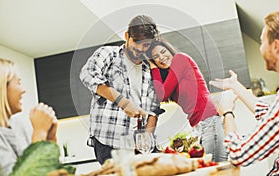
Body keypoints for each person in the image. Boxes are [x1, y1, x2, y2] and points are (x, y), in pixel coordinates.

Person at [209, 11, 279, 175]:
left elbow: (238, 154)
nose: (260, 48)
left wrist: (227, 112)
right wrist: (236, 87)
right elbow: (272, 116)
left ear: (276, 46)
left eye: (262, 42)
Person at [80, 15, 163, 164]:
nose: (139, 49)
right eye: (136, 42)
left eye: (146, 46)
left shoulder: (149, 69)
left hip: (139, 147)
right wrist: (123, 102)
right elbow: (88, 74)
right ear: (127, 36)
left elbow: (153, 109)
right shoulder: (108, 54)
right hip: (109, 142)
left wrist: (147, 140)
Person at [145, 38, 227, 162]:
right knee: (214, 167)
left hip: (209, 120)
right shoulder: (169, 77)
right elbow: (159, 95)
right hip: (198, 125)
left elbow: (162, 94)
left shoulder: (180, 59)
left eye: (163, 52)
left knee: (216, 166)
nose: (161, 57)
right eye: (156, 56)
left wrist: (152, 67)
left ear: (170, 50)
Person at [0, 58, 58, 176]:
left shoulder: (19, 126)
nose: (23, 90)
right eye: (18, 83)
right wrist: (40, 133)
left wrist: (50, 139)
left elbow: (47, 171)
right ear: (2, 88)